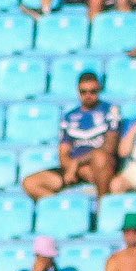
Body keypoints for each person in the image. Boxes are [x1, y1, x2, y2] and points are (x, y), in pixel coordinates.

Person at [22, 72, 119, 201]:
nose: (88, 95)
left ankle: (103, 207)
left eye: (93, 91)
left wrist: (77, 163)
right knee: (30, 183)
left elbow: (109, 148)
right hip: (75, 169)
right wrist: (76, 168)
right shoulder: (69, 117)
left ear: (99, 89)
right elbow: (63, 154)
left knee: (99, 158)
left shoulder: (110, 111)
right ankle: (65, 208)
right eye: (83, 92)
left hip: (101, 166)